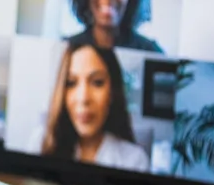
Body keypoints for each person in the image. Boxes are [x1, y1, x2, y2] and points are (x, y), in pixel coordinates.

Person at [33, 41, 150, 172]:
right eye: (71, 83)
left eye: (97, 82)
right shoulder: (39, 144)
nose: (83, 98)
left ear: (112, 92)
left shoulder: (134, 160)